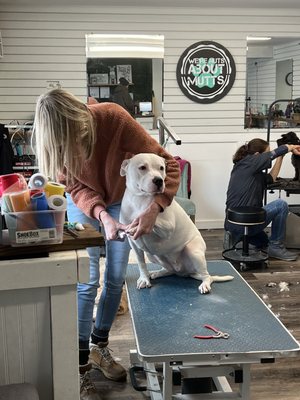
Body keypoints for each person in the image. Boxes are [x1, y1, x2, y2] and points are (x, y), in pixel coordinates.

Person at [32, 88, 180, 400]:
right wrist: (101, 215)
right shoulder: (58, 145)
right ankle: (80, 363)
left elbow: (169, 162)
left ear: (78, 122)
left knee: (115, 277)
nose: (68, 148)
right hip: (86, 201)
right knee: (87, 281)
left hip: (121, 199)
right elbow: (74, 185)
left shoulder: (113, 118)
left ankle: (100, 347)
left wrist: (154, 208)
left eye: (70, 139)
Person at [225, 138, 300, 261]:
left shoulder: (248, 169)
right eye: (266, 153)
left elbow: (272, 178)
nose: (268, 156)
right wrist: (290, 147)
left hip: (235, 223)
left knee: (263, 242)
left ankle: (242, 241)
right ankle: (276, 247)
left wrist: (281, 156)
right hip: (246, 221)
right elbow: (274, 153)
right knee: (281, 205)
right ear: (257, 155)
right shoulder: (249, 162)